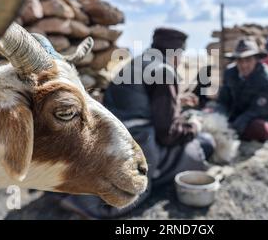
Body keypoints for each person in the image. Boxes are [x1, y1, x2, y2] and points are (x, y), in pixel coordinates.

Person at [60, 27, 215, 218]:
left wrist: (176, 101)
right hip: (138, 143)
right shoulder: (165, 72)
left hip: (106, 137)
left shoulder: (136, 64)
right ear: (176, 52)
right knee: (204, 144)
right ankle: (92, 204)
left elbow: (136, 101)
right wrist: (195, 126)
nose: (181, 60)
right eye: (181, 54)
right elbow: (168, 134)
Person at [217, 39, 268, 141]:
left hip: (260, 117)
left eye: (248, 60)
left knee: (262, 129)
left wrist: (237, 124)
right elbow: (223, 101)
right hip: (235, 116)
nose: (244, 65)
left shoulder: (267, 79)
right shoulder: (229, 73)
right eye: (240, 61)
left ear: (256, 59)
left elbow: (259, 109)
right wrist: (219, 116)